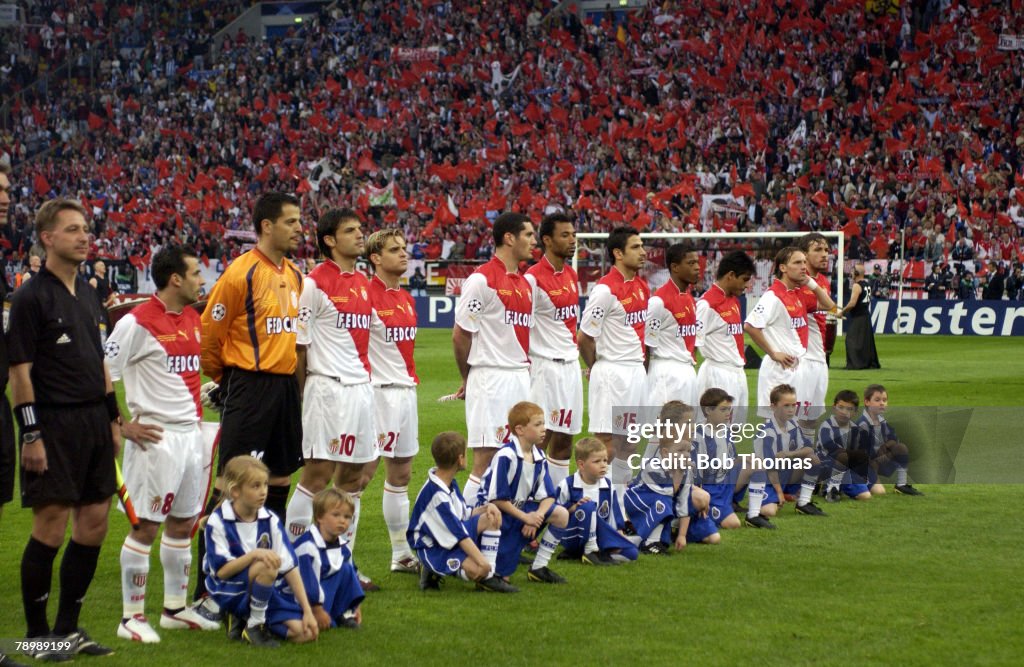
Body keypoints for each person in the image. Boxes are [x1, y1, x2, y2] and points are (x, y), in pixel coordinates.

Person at [9, 198, 120, 659]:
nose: (84, 236)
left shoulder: (91, 292)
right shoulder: (31, 296)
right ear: (48, 238)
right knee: (51, 526)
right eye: (73, 229)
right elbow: (20, 371)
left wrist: (114, 420)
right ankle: (38, 636)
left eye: (86, 229)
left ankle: (68, 628)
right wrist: (30, 434)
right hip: (52, 423)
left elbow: (101, 363)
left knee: (93, 524)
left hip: (95, 421)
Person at [104, 245, 219, 643]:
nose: (201, 281)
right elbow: (103, 371)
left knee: (184, 523)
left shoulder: (190, 317)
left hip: (191, 434)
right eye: (195, 274)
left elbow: (180, 375)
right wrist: (121, 423)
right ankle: (130, 616)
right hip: (156, 438)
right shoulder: (136, 322)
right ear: (175, 279)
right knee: (146, 526)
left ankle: (174, 609)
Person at [196, 192, 304, 603]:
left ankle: (266, 569)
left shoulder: (294, 273)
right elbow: (209, 336)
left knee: (277, 477)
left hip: (283, 387)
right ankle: (207, 588)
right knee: (231, 483)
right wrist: (230, 380)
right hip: (249, 385)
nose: (298, 229)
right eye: (291, 222)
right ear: (266, 226)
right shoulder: (240, 273)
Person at [284, 210, 379, 588]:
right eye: (350, 231)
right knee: (317, 475)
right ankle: (288, 563)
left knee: (354, 477)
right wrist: (304, 395)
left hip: (360, 388)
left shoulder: (364, 282)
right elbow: (299, 347)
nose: (360, 236)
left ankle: (342, 564)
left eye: (359, 229)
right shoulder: (313, 284)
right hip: (327, 388)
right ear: (329, 240)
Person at [452, 212, 536, 505]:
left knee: (518, 456)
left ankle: (503, 537)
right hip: (490, 378)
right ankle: (464, 530)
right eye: (528, 234)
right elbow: (461, 335)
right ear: (509, 238)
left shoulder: (525, 283)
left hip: (519, 376)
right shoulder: (481, 280)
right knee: (487, 459)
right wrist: (469, 377)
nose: (533, 241)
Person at [203, 456, 318, 648]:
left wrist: (307, 610)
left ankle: (249, 619)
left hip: (262, 586)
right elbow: (221, 572)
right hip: (227, 588)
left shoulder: (270, 519)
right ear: (235, 491)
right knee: (266, 565)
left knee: (304, 633)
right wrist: (254, 555)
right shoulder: (219, 521)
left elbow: (290, 566)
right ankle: (254, 626)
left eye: (265, 484)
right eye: (255, 486)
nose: (263, 491)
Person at [578, 227, 649, 507]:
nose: (643, 252)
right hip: (612, 372)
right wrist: (595, 367)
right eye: (635, 247)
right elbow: (584, 337)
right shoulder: (605, 290)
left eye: (642, 246)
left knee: (629, 442)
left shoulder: (642, 286)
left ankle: (620, 503)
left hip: (635, 371)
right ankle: (591, 503)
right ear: (618, 253)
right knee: (606, 443)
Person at [365, 228, 421, 573]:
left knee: (400, 475)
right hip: (377, 394)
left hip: (406, 393)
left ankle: (400, 553)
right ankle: (336, 557)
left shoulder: (406, 298)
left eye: (404, 248)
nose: (404, 254)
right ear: (375, 258)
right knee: (359, 477)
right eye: (395, 250)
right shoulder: (364, 296)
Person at [407, 431, 514, 593]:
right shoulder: (437, 497)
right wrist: (482, 562)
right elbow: (460, 536)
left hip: (450, 535)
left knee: (490, 517)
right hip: (431, 545)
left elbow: (465, 513)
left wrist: (487, 507)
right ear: (460, 459)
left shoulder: (449, 482)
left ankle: (490, 578)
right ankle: (430, 568)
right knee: (477, 570)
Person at [478, 401, 570, 584]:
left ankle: (538, 567)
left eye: (543, 423)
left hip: (519, 510)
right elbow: (497, 500)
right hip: (495, 513)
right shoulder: (507, 456)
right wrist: (525, 518)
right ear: (520, 430)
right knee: (502, 576)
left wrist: (537, 516)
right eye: (538, 424)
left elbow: (549, 495)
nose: (544, 428)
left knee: (561, 514)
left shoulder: (539, 456)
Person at [523, 212, 582, 489]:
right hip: (544, 366)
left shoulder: (571, 274)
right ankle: (529, 499)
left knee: (565, 439)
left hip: (570, 367)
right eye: (565, 235)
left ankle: (557, 500)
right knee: (540, 438)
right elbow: (520, 326)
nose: (572, 241)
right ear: (546, 240)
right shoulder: (532, 279)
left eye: (573, 235)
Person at [745, 247, 832, 418]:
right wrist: (773, 353)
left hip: (798, 368)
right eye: (798, 262)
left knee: (794, 426)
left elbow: (829, 305)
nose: (803, 267)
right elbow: (750, 326)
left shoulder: (797, 293)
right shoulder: (773, 296)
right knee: (775, 426)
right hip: (779, 369)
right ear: (783, 268)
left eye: (804, 263)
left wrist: (810, 283)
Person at [623, 401, 719, 553]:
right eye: (688, 423)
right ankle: (650, 542)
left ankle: (668, 533)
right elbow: (668, 493)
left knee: (713, 538)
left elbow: (684, 501)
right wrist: (680, 473)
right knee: (662, 503)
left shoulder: (689, 450)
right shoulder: (658, 460)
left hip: (669, 502)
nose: (693, 426)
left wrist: (682, 535)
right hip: (641, 500)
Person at [270, 488, 364, 634]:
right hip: (291, 598)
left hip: (318, 593)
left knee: (346, 569)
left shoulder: (343, 547)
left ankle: (345, 613)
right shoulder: (308, 546)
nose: (342, 521)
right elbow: (308, 583)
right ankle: (272, 623)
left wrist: (355, 604)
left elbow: (351, 578)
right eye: (336, 515)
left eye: (347, 517)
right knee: (302, 629)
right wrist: (317, 610)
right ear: (319, 517)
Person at [743, 384, 826, 529]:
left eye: (794, 405)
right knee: (770, 511)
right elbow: (769, 469)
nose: (791, 409)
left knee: (813, 459)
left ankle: (803, 503)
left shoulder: (794, 423)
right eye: (786, 405)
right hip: (768, 480)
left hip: (786, 474)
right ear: (773, 407)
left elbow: (808, 448)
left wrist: (790, 453)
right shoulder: (767, 432)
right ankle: (757, 502)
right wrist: (779, 493)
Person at [549, 437, 637, 564]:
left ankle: (597, 552)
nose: (603, 465)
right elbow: (555, 512)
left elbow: (614, 516)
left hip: (600, 535)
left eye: (605, 461)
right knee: (588, 507)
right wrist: (574, 507)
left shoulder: (608, 486)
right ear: (581, 464)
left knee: (632, 553)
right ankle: (584, 551)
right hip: (573, 535)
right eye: (597, 461)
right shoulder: (567, 485)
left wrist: (619, 537)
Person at [694, 250, 755, 422]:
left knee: (733, 434)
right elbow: (693, 342)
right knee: (713, 433)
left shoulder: (733, 300)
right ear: (730, 275)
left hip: (737, 372)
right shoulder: (707, 305)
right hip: (718, 374)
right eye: (744, 280)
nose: (745, 286)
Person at [645, 241, 701, 417]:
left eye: (697, 262)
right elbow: (646, 346)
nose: (698, 267)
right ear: (675, 267)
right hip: (666, 375)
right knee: (664, 438)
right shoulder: (659, 302)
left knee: (685, 438)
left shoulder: (690, 299)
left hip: (687, 372)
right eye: (691, 263)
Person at [794, 233, 840, 442]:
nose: (824, 255)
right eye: (818, 250)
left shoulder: (822, 282)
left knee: (812, 418)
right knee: (794, 416)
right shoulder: (794, 284)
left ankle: (805, 466)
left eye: (826, 251)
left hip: (819, 357)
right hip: (801, 358)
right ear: (804, 254)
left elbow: (828, 309)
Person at [854, 385, 923, 496]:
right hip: (864, 465)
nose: (882, 403)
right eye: (877, 400)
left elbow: (894, 439)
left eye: (884, 400)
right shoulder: (863, 425)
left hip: (877, 460)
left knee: (901, 448)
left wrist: (886, 445)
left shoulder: (882, 421)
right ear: (867, 402)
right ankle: (840, 482)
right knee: (880, 492)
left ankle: (901, 485)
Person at [693, 388, 742, 530]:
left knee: (754, 462)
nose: (728, 414)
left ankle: (754, 514)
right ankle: (706, 511)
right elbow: (695, 472)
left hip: (725, 483)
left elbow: (733, 458)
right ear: (708, 410)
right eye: (723, 410)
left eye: (729, 410)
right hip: (711, 489)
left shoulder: (726, 430)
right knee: (733, 524)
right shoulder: (698, 436)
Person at [816, 389, 872, 502]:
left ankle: (832, 486)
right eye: (840, 407)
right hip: (825, 466)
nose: (844, 412)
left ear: (855, 412)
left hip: (845, 467)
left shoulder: (855, 429)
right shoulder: (827, 426)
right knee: (841, 455)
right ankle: (831, 489)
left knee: (867, 495)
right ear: (834, 407)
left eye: (849, 409)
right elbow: (831, 449)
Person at [840, 265, 880, 370]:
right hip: (866, 316)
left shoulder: (856, 286)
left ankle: (855, 364)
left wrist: (842, 312)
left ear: (856, 273)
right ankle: (866, 362)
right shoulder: (867, 284)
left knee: (850, 340)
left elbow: (852, 303)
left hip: (858, 317)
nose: (851, 273)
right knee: (865, 342)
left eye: (853, 271)